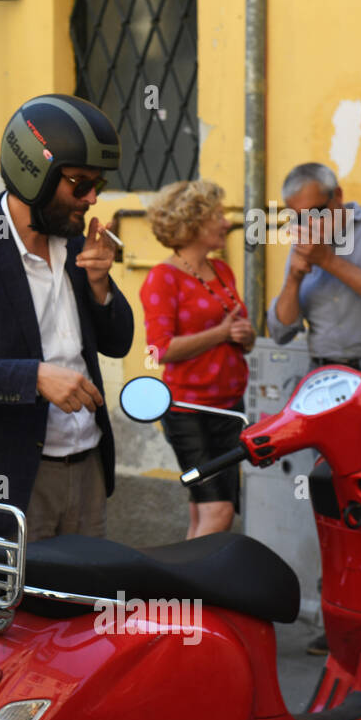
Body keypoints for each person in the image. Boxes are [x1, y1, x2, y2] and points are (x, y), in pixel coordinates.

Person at [0, 94, 134, 542]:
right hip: (15, 477)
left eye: (99, 183)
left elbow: (119, 343)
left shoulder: (78, 244)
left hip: (89, 465)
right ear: (34, 174)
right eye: (80, 184)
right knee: (19, 611)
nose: (93, 198)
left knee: (85, 607)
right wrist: (34, 377)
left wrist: (100, 286)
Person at [268, 162, 361, 656]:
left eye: (311, 212)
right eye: (295, 217)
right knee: (336, 505)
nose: (304, 225)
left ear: (337, 200)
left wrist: (329, 260)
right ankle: (345, 621)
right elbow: (280, 329)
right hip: (327, 390)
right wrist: (293, 277)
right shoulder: (305, 243)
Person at [140, 180, 255, 538]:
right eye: (217, 215)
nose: (226, 222)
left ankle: (182, 581)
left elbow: (240, 334)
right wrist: (220, 334)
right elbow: (158, 350)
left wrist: (244, 336)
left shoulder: (223, 271)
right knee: (219, 511)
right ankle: (198, 589)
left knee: (202, 512)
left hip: (229, 408)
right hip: (189, 412)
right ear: (192, 223)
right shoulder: (163, 278)